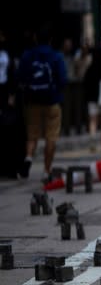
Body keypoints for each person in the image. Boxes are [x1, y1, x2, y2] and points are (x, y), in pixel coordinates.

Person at [16, 25, 67, 180]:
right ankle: (46, 171)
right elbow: (63, 79)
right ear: (51, 39)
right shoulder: (56, 56)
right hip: (52, 101)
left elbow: (19, 77)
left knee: (32, 135)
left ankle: (29, 157)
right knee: (51, 137)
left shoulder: (27, 55)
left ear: (35, 38)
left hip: (32, 101)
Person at [83, 44, 101, 152]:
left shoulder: (90, 68)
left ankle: (92, 139)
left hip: (92, 98)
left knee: (93, 120)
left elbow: (85, 83)